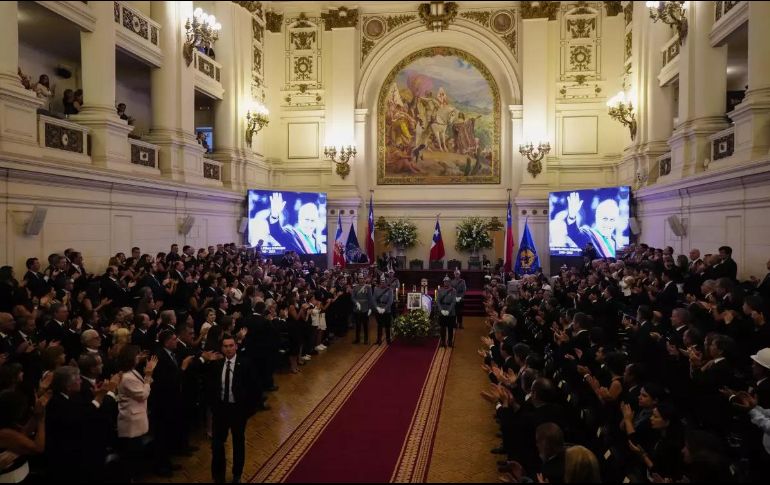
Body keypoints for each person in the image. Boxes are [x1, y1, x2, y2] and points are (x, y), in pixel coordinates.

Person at [207, 335, 258, 484]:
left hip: (238, 411)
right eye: (225, 346)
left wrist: (248, 411)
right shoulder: (216, 364)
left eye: (231, 345)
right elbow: (211, 388)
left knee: (238, 443)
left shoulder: (246, 364)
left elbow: (254, 388)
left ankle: (237, 474)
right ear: (222, 348)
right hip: (221, 410)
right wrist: (214, 407)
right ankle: (218, 476)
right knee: (217, 444)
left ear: (236, 346)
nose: (228, 349)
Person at [565, 192, 621, 259]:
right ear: (596, 217)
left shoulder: (616, 242)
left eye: (612, 220)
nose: (608, 223)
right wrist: (571, 216)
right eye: (605, 219)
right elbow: (574, 233)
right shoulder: (588, 234)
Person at [352, 275, 373, 345]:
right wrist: (356, 302)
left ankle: (366, 339)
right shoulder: (355, 287)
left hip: (365, 308)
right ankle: (357, 339)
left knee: (365, 325)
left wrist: (370, 308)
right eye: (360, 278)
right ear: (358, 279)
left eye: (362, 278)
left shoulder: (368, 287)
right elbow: (353, 297)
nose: (361, 280)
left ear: (364, 279)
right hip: (357, 308)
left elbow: (370, 298)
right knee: (357, 325)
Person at [373, 275, 394, 345]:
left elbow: (390, 301)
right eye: (382, 282)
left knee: (387, 325)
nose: (383, 283)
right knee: (379, 325)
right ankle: (379, 339)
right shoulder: (376, 289)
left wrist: (384, 309)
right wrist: (377, 308)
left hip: (387, 310)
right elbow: (374, 300)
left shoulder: (390, 290)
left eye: (384, 282)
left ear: (386, 282)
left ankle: (388, 339)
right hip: (378, 309)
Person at [437, 276, 457, 347]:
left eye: (447, 281)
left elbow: (453, 302)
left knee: (450, 327)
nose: (446, 283)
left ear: (450, 282)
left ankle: (450, 341)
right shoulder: (440, 290)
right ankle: (443, 341)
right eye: (445, 281)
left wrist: (448, 311)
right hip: (442, 309)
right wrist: (441, 310)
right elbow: (438, 301)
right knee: (442, 328)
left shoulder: (453, 290)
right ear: (443, 282)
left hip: (451, 311)